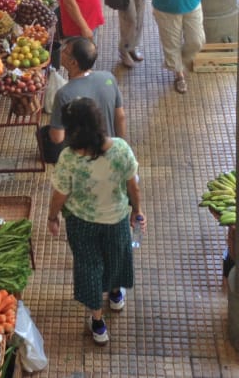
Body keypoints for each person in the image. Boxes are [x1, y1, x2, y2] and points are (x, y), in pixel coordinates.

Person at [47, 97, 144, 346]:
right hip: (116, 219)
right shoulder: (120, 149)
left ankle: (98, 324)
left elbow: (60, 194)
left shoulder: (69, 158)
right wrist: (137, 211)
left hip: (82, 223)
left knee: (89, 266)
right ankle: (115, 296)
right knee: (116, 255)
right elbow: (133, 186)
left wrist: (52, 217)